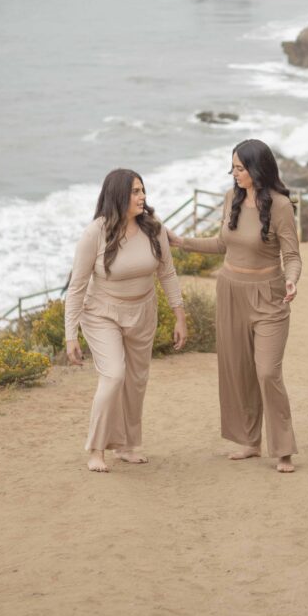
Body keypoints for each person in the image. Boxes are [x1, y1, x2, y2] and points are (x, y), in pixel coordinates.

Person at [168, 139, 300, 473]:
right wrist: (182, 242)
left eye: (240, 168)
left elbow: (292, 256)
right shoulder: (232, 198)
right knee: (238, 371)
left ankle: (282, 449)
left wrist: (292, 280)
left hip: (269, 296)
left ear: (258, 168)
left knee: (267, 371)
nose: (234, 174)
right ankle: (250, 442)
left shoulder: (282, 206)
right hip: (230, 292)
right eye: (233, 168)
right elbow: (221, 243)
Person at [65, 168, 187, 472]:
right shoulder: (95, 233)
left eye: (142, 190)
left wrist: (179, 316)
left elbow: (167, 273)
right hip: (102, 313)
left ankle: (129, 446)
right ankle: (97, 449)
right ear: (118, 195)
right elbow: (77, 286)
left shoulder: (153, 228)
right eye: (135, 191)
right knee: (114, 375)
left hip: (143, 311)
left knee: (136, 381)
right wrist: (70, 335)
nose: (142, 196)